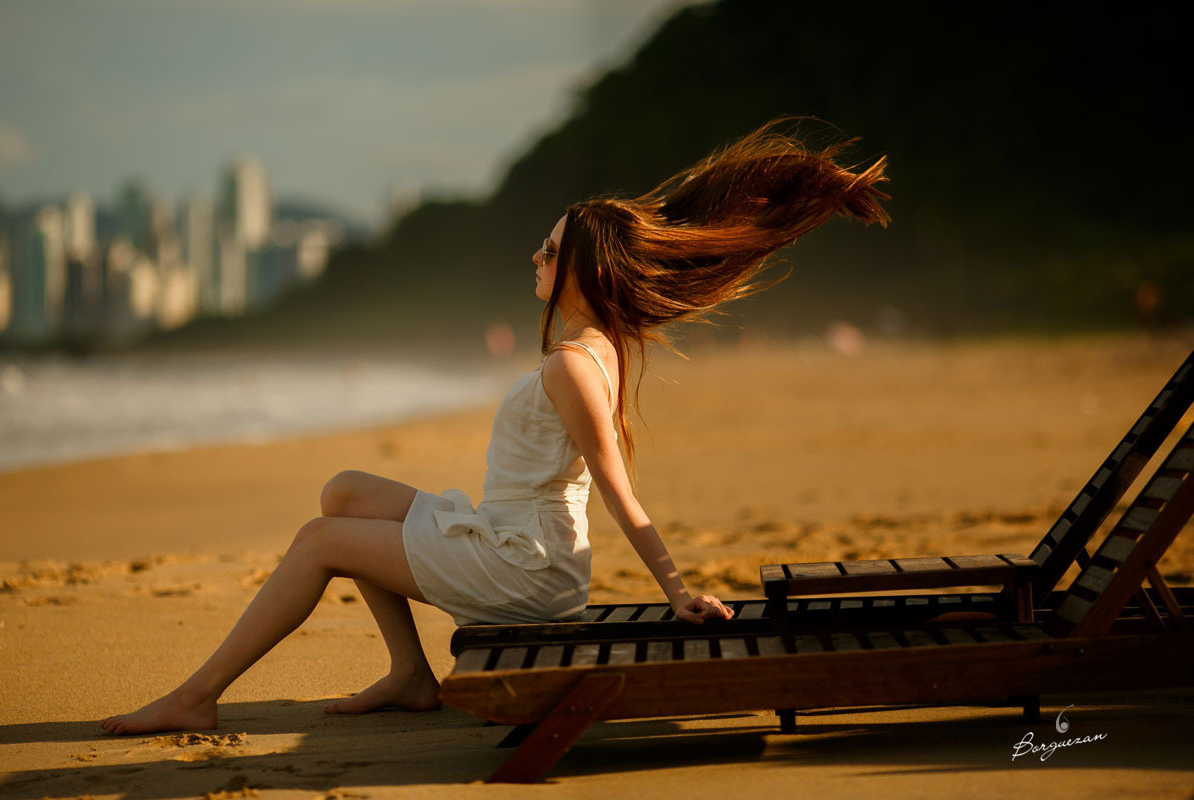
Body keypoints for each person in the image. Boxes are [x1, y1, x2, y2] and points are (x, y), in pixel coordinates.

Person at [100, 117, 890, 735]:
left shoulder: (573, 363)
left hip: (525, 568)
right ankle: (410, 675)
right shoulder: (596, 347)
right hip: (508, 536)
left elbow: (617, 488)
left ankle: (197, 696)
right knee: (344, 492)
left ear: (582, 268)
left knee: (317, 541)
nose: (534, 259)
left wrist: (676, 590)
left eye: (548, 251)